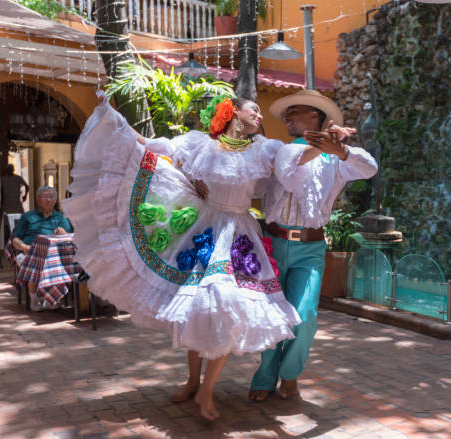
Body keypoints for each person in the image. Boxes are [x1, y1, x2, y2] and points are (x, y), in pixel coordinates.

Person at [62, 92, 306, 420]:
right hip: (206, 226)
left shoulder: (266, 149)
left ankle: (207, 392)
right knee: (196, 306)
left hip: (238, 234)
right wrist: (118, 124)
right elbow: (157, 146)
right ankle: (193, 382)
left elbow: (294, 162)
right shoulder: (201, 144)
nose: (260, 115)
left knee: (224, 304)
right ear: (233, 112)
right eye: (254, 109)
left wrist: (327, 148)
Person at [248, 89, 378, 401]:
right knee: (270, 314)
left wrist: (342, 151)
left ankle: (290, 375)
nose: (288, 117)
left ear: (314, 117)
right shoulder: (282, 149)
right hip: (273, 243)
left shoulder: (337, 156)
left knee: (305, 314)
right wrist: (322, 146)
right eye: (287, 113)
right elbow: (291, 175)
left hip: (311, 247)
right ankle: (264, 378)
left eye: (296, 111)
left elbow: (370, 168)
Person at [12, 186, 72, 311]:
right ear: (38, 199)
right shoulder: (27, 217)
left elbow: (69, 237)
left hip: (55, 256)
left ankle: (51, 299)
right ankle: (34, 301)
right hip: (29, 253)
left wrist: (63, 232)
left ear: (55, 200)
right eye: (45, 197)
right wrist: (24, 247)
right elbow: (15, 240)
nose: (49, 200)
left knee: (56, 264)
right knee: (36, 263)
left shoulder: (61, 217)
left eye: (52, 197)